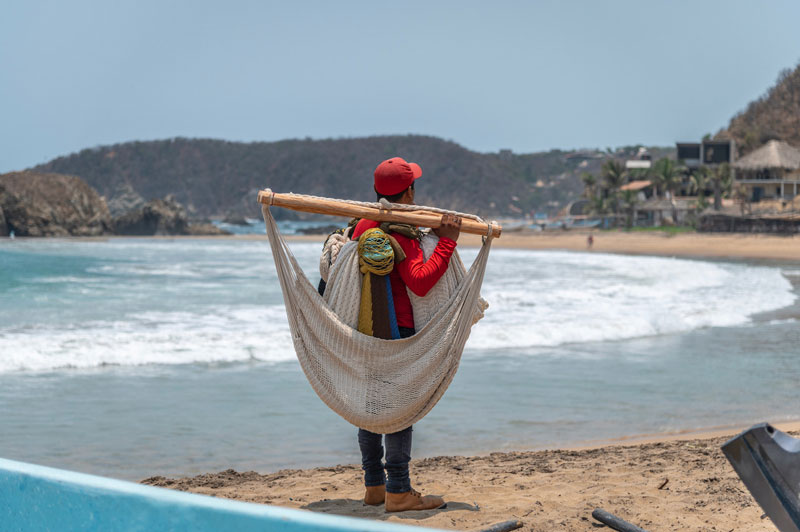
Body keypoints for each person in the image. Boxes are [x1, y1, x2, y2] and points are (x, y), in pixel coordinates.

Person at [350, 157, 461, 512]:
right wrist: (448, 242)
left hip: (365, 327)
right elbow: (422, 281)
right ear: (410, 191)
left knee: (371, 408)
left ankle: (374, 487)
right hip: (399, 330)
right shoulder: (402, 230)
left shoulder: (362, 226)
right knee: (400, 410)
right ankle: (398, 491)